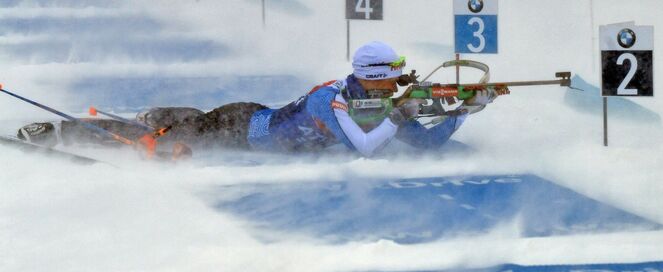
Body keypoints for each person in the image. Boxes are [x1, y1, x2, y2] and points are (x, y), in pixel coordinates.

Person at [16, 41, 502, 157]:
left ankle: (160, 116)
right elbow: (365, 146)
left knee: (177, 129)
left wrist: (463, 114)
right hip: (241, 129)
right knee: (161, 145)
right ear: (371, 76)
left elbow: (424, 143)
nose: (399, 82)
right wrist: (404, 111)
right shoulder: (331, 100)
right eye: (392, 76)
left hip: (251, 119)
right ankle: (61, 131)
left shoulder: (375, 102)